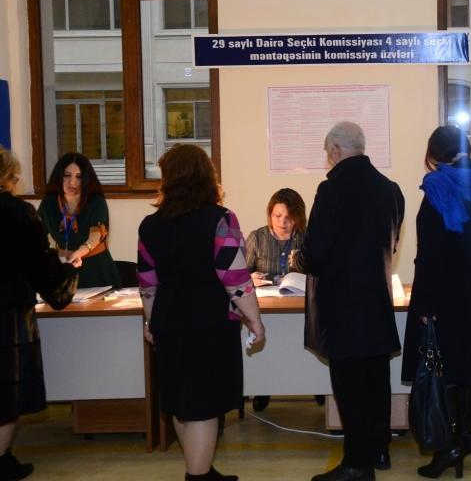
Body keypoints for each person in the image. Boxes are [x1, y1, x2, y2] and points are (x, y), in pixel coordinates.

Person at [138, 145, 265, 481]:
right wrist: (255, 319)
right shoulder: (220, 219)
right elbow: (234, 278)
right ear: (206, 176)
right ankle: (197, 477)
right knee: (204, 406)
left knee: (181, 401)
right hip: (208, 323)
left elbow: (147, 283)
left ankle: (202, 470)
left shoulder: (149, 226)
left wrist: (151, 322)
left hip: (168, 320)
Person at [300, 122, 404, 481]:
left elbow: (314, 255)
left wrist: (299, 258)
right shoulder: (392, 190)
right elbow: (390, 246)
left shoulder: (331, 190)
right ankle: (378, 451)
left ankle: (356, 465)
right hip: (377, 300)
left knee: (349, 387)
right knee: (376, 382)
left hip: (342, 308)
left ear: (335, 150)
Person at [401, 125, 471, 479]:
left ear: (434, 153)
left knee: (442, 369)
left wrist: (424, 304)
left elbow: (432, 254)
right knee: (467, 363)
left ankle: (448, 445)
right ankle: (468, 435)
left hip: (442, 291)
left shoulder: (438, 186)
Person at [0, 148, 79, 481]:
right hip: (6, 316)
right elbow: (43, 267)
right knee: (5, 392)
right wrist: (68, 274)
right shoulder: (17, 213)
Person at [244, 188, 307, 412]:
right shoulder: (257, 237)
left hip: (300, 306)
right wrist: (250, 277)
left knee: (300, 344)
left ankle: (315, 386)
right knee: (271, 347)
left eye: (289, 218)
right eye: (277, 216)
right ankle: (263, 387)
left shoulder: (306, 238)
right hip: (266, 306)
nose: (282, 222)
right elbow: (240, 274)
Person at [38, 153, 121, 289]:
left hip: (95, 269)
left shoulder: (96, 201)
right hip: (63, 269)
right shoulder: (49, 202)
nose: (72, 182)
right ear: (59, 176)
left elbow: (97, 234)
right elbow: (36, 235)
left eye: (79, 177)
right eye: (67, 175)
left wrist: (79, 252)